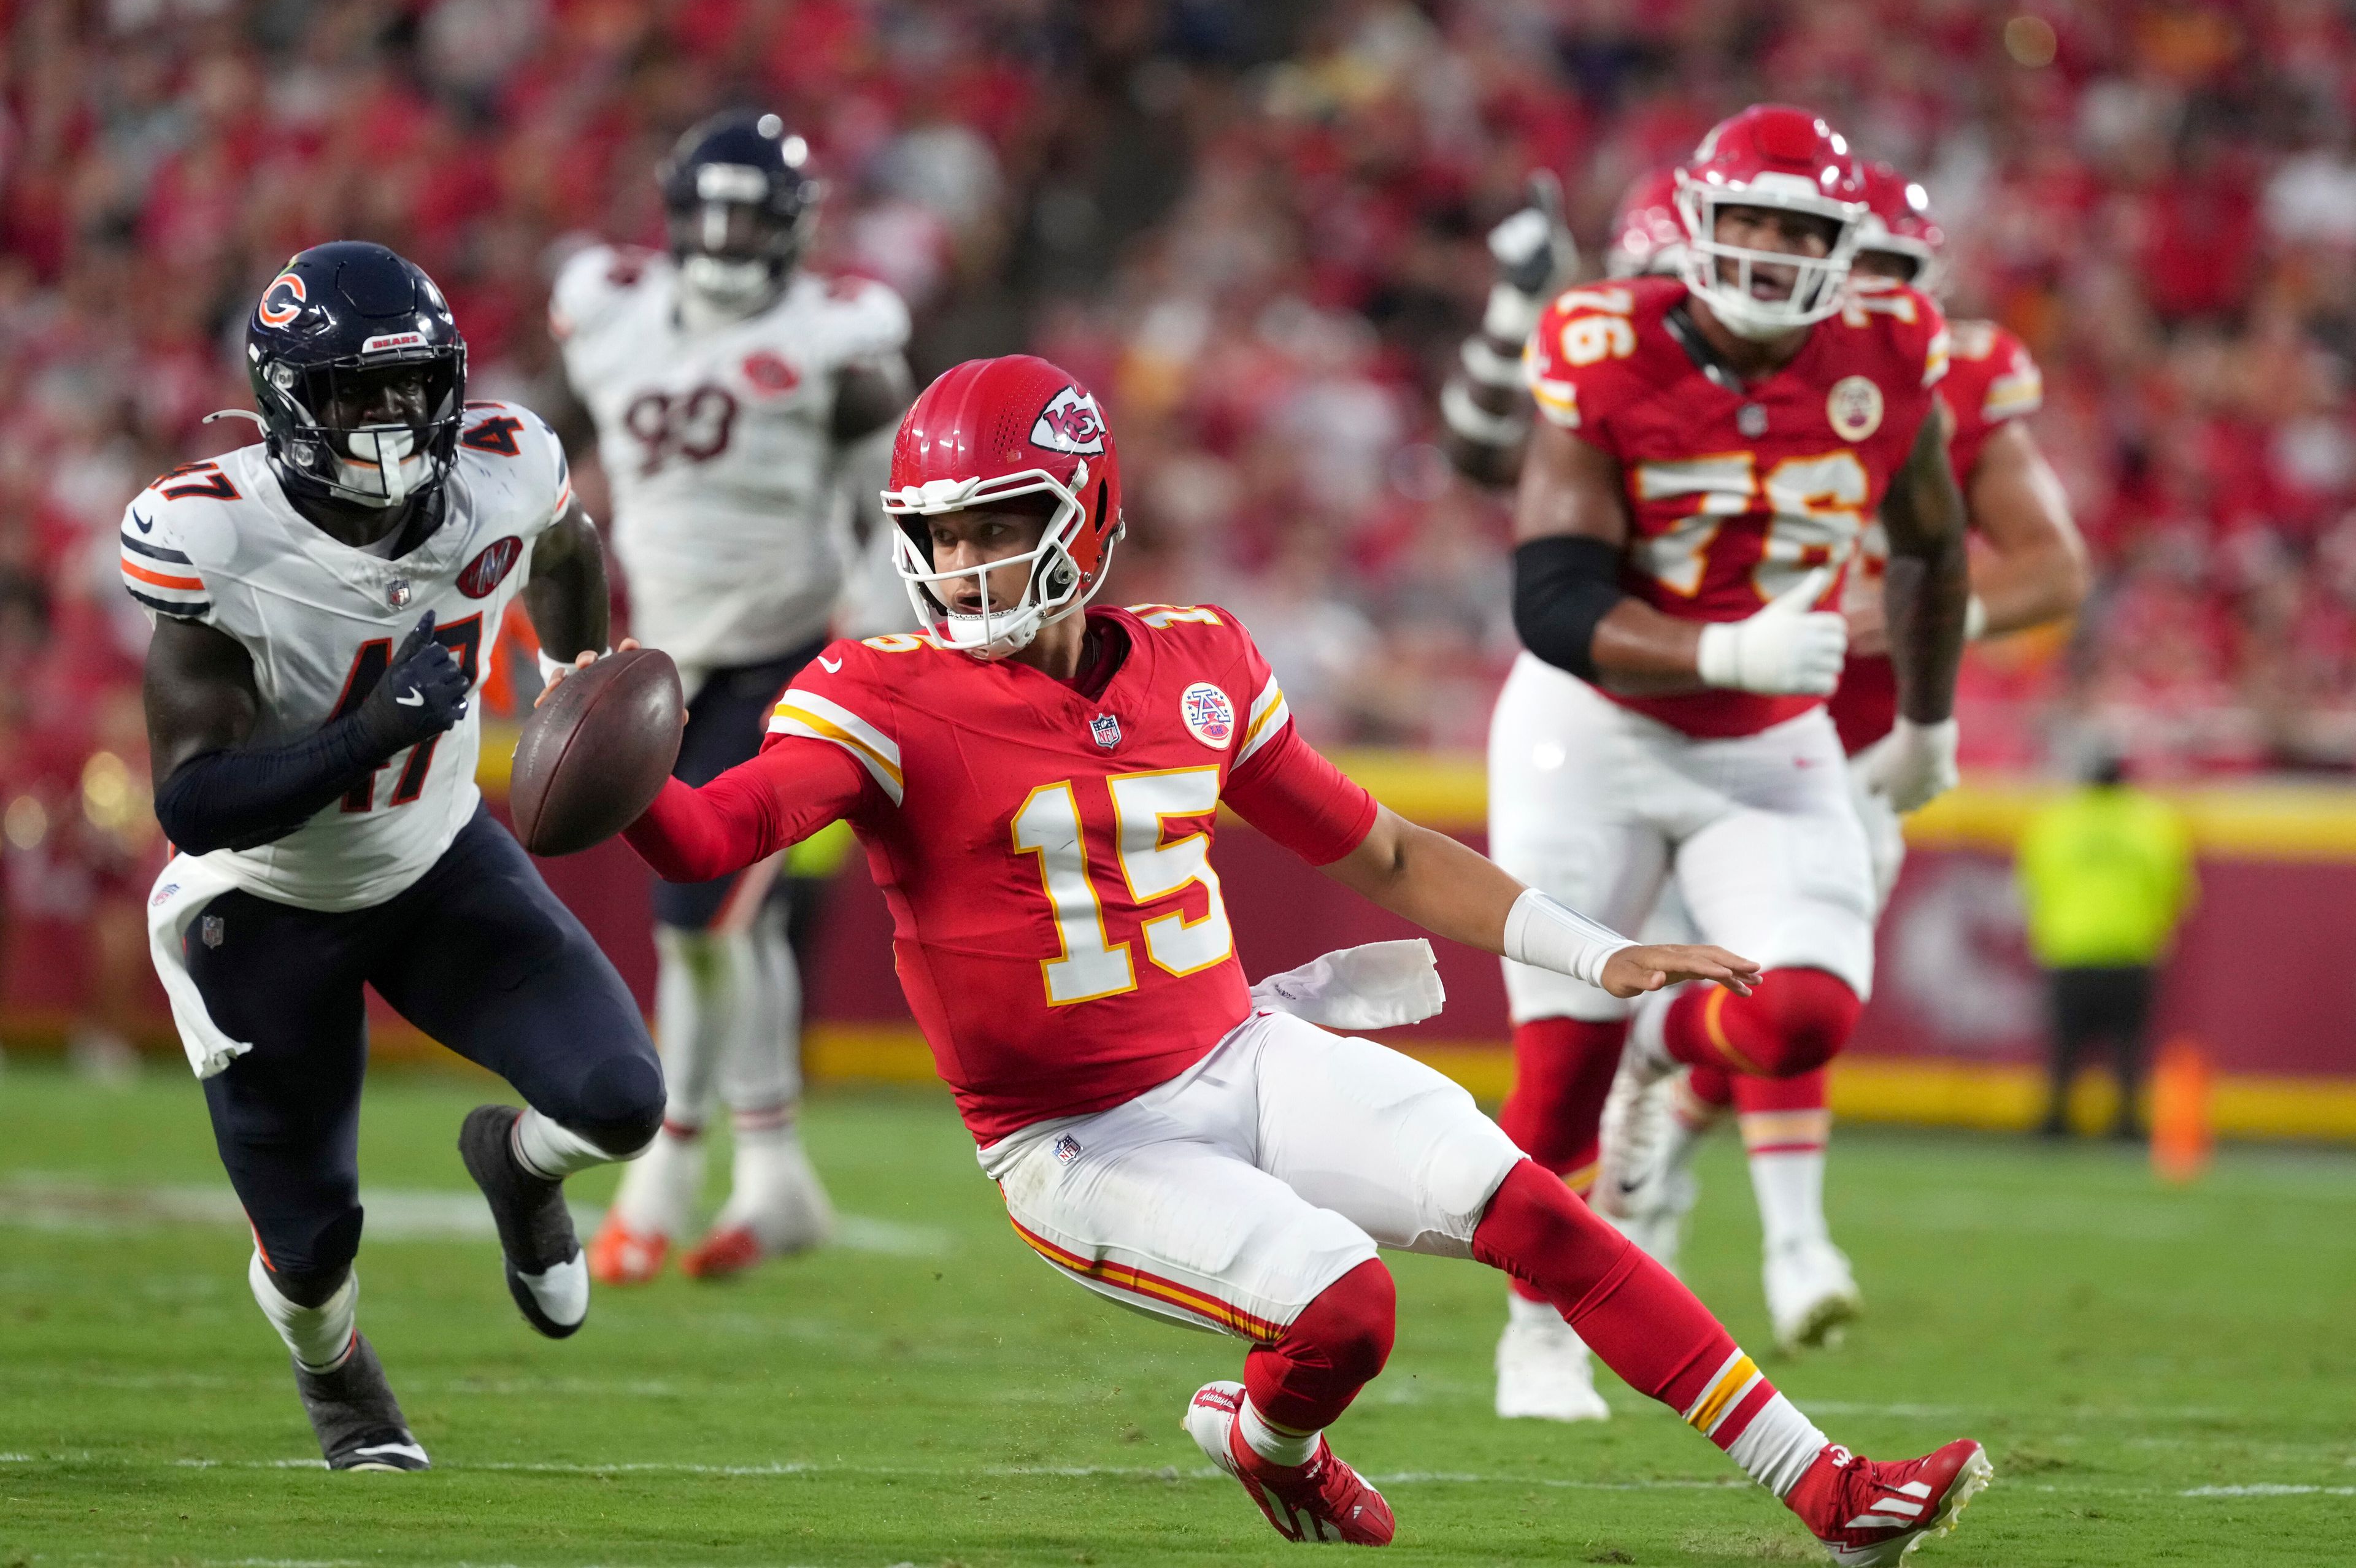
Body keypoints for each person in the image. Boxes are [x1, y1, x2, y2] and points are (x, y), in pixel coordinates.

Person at [590, 351, 1993, 1558]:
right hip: (1074, 1137)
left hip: (1238, 1051)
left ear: (1083, 512)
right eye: (940, 533)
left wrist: (1596, 950)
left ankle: (1827, 1488)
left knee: (1542, 1211)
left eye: (998, 522)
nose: (963, 563)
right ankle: (1270, 1436)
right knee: (1347, 1308)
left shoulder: (1194, 657)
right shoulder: (878, 688)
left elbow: (1377, 847)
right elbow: (716, 837)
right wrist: (615, 769)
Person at [1441, 106, 1971, 1418]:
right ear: (1699, 221)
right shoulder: (1603, 340)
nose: (1774, 249)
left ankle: (1668, 1030)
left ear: (1847, 247)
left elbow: (1934, 541)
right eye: (1750, 220)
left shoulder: (1890, 351)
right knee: (1557, 1077)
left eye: (1803, 227)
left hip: (1763, 747)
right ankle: (1539, 1335)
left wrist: (1929, 719)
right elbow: (1552, 594)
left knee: (1805, 1013)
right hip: (1590, 726)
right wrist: (1725, 654)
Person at [131, 242, 665, 1471]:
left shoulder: (506, 469)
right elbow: (195, 804)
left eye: (409, 386)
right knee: (313, 1245)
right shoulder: (217, 537)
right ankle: (338, 1375)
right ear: (283, 403)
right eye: (351, 395)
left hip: (436, 861)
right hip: (262, 907)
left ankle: (520, 1170)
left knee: (623, 1099)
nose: (387, 420)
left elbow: (570, 552)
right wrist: (371, 731)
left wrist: (572, 688)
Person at [1617, 159, 2091, 1348]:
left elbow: (2052, 568)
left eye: (1891, 273)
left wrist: (1924, 615)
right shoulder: (1691, 354)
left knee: (1790, 1001)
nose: (1864, 296)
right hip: (1691, 728)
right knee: (1742, 984)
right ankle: (1785, 1235)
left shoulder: (1944, 377)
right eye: (1855, 265)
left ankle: (1673, 1131)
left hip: (1857, 744)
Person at [550, 109, 912, 1283]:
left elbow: (886, 491)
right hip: (667, 655)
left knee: (702, 915)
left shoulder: (839, 333)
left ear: (793, 230)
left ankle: (667, 1167)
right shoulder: (609, 313)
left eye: (751, 216)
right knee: (721, 928)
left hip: (790, 647)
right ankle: (773, 1175)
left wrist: (877, 639)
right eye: (710, 211)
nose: (726, 237)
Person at [2016, 750, 2197, 1139]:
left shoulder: (2058, 821)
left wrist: (2052, 925)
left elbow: (2034, 879)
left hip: (2070, 947)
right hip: (2131, 949)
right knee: (2128, 1045)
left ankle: (2055, 1123)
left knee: (2064, 1046)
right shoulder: (2152, 822)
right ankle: (2127, 1124)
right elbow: (2174, 886)